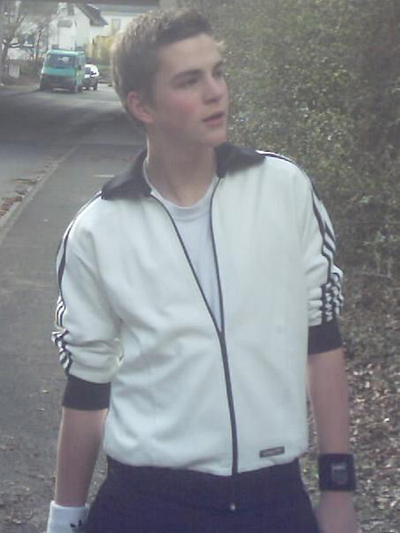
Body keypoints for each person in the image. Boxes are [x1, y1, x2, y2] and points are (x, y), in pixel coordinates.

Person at [46, 8, 359, 533]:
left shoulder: (284, 190)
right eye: (190, 80)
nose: (217, 92)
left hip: (272, 502)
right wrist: (64, 519)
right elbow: (86, 389)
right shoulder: (97, 231)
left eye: (218, 72)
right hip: (146, 505)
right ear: (141, 105)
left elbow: (322, 340)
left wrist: (338, 490)